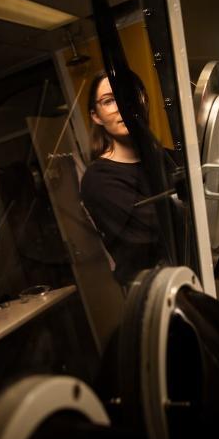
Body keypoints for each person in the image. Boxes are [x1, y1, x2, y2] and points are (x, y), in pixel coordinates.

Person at [79, 71, 168, 286]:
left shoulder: (167, 158)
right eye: (109, 101)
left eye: (128, 94)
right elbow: (157, 232)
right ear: (96, 116)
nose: (122, 105)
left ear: (143, 100)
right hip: (154, 292)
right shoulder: (99, 180)